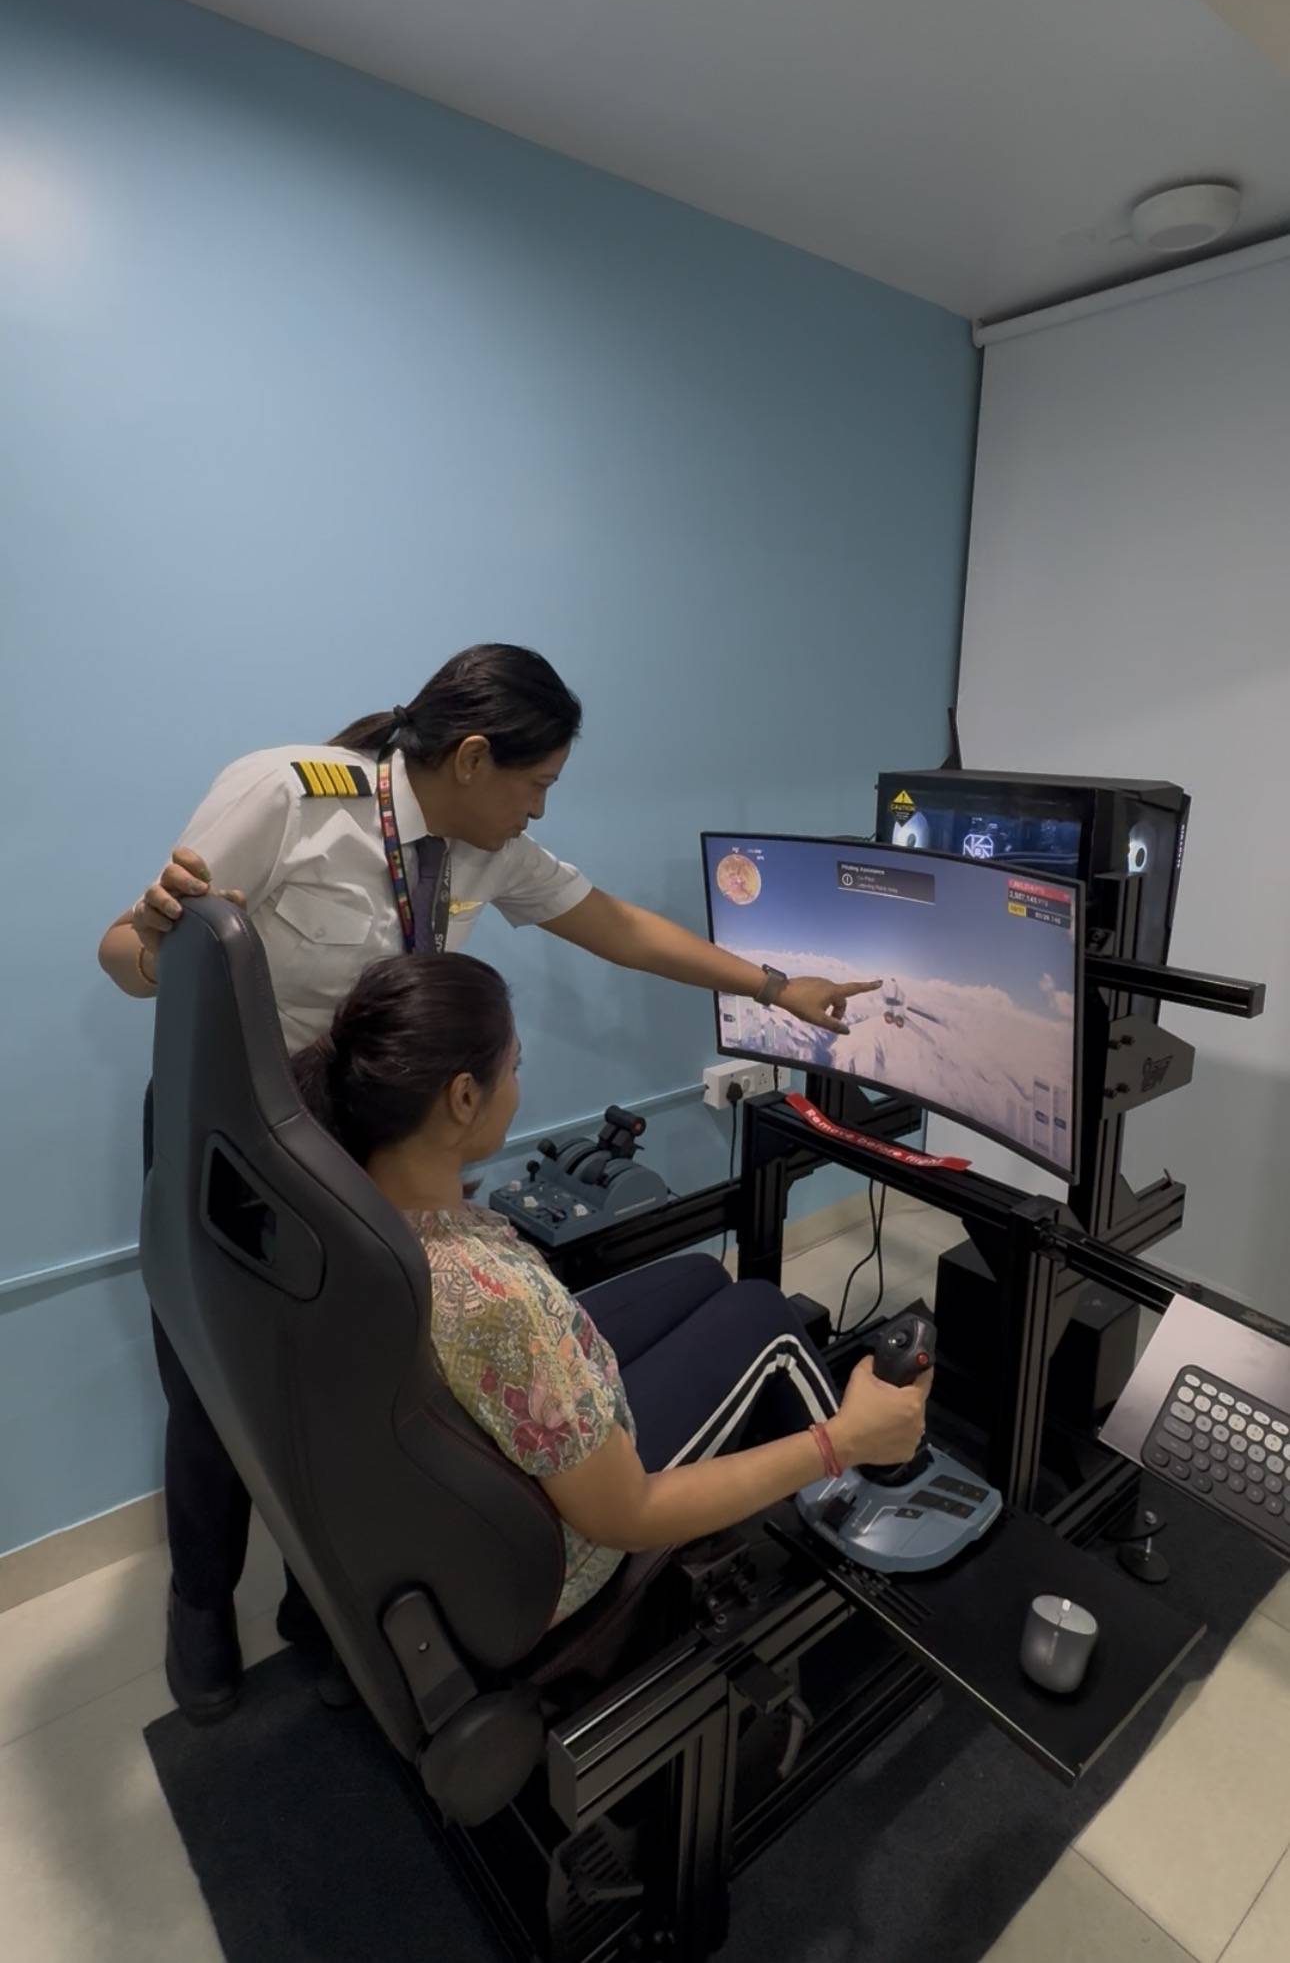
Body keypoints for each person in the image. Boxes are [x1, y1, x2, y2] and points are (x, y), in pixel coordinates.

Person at [98, 643, 881, 1716]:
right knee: (217, 1385)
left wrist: (778, 985)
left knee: (339, 1391)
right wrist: (149, 939)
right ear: (472, 758)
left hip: (347, 1158)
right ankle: (199, 1607)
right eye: (537, 785)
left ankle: (316, 1602)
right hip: (227, 1146)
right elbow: (129, 953)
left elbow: (620, 929)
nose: (539, 812)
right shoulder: (287, 795)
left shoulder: (484, 849)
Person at [292, 953, 929, 1619]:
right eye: (513, 1066)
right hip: (563, 1544)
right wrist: (847, 1438)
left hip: (485, 1447)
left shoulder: (350, 1201)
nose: (517, 1082)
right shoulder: (497, 1297)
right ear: (462, 1098)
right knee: (765, 1321)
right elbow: (629, 1515)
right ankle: (872, 1495)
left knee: (706, 1276)